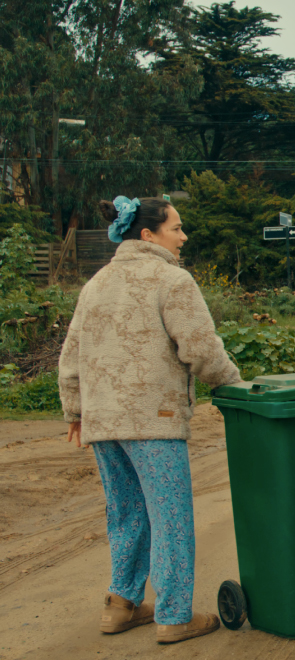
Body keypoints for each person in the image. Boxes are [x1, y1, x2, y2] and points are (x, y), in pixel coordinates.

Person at [58, 196, 242, 644]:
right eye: (176, 228)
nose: (183, 237)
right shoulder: (171, 280)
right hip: (153, 422)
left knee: (125, 514)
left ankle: (120, 605)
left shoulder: (96, 283)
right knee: (170, 517)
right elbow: (199, 348)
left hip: (103, 423)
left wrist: (75, 412)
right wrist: (233, 384)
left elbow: (71, 356)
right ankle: (175, 614)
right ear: (148, 235)